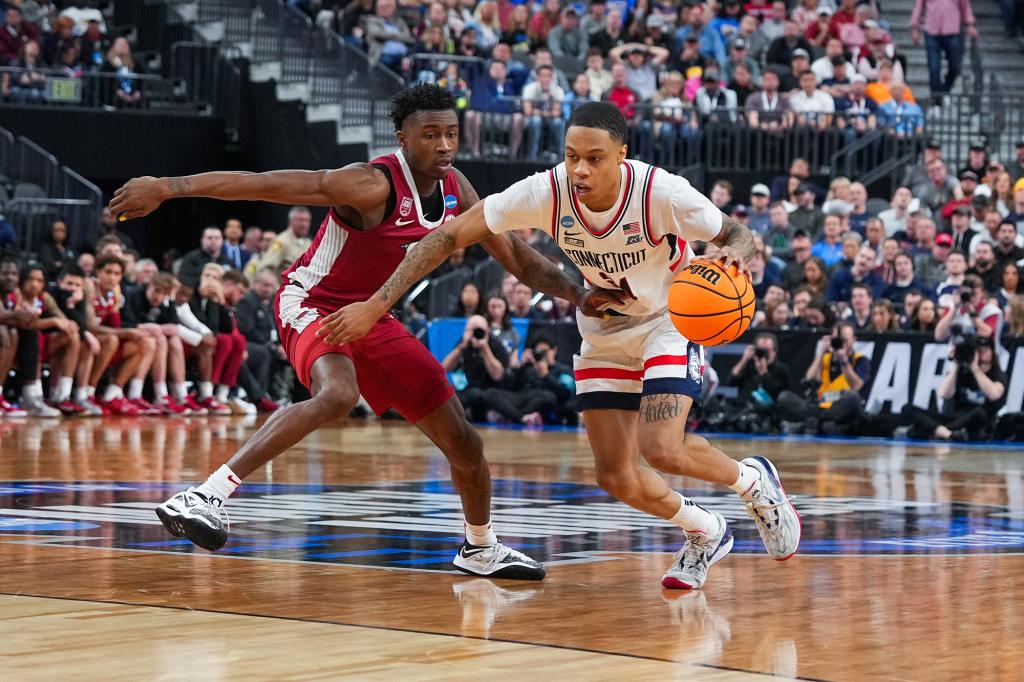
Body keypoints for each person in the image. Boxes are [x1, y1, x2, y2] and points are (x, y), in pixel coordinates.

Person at [110, 86, 619, 578]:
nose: (443, 146)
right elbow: (262, 182)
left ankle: (480, 548)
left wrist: (580, 295)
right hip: (312, 302)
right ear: (402, 137)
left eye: (451, 134)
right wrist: (168, 187)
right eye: (429, 135)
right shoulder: (369, 183)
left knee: (464, 441)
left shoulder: (456, 189)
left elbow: (518, 257)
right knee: (338, 394)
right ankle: (206, 495)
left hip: (372, 315)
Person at [321, 102, 802, 590]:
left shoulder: (662, 192)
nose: (579, 169)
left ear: (621, 156)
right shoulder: (547, 191)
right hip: (605, 328)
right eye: (571, 155)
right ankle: (706, 531)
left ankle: (754, 483)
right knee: (614, 476)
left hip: (669, 319)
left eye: (594, 158)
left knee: (661, 448)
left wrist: (733, 255)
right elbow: (447, 236)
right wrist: (377, 303)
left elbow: (740, 235)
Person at [901, 336, 1004, 441]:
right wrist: (956, 365)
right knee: (907, 409)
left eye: (986, 349)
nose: (983, 353)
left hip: (976, 422)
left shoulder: (998, 374)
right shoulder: (961, 372)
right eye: (979, 350)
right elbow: (944, 394)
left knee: (980, 413)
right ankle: (947, 434)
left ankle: (935, 431)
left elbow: (994, 394)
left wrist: (975, 369)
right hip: (954, 418)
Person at [778, 320, 871, 435]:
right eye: (837, 340)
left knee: (852, 397)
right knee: (784, 397)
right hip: (821, 406)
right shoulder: (825, 358)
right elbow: (809, 378)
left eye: (844, 340)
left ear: (854, 340)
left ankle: (807, 424)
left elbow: (857, 387)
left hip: (840, 409)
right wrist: (821, 352)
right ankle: (818, 422)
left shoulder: (860, 359)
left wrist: (844, 362)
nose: (841, 343)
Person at [910, 0, 978, 106]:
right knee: (934, 68)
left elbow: (965, 6)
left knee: (955, 66)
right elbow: (918, 6)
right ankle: (936, 100)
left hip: (953, 31)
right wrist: (915, 27)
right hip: (932, 31)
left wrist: (970, 24)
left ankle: (945, 90)